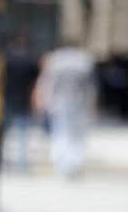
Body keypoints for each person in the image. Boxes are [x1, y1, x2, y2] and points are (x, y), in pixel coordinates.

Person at [33, 40, 97, 178]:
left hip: (59, 103)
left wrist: (44, 102)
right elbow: (90, 87)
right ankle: (73, 163)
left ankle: (63, 164)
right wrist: (92, 104)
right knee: (76, 135)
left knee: (61, 133)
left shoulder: (56, 60)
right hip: (77, 103)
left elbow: (47, 84)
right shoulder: (83, 61)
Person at [1, 33, 40, 171]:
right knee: (22, 135)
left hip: (7, 99)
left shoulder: (6, 60)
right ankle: (22, 164)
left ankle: (0, 162)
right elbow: (35, 83)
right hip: (24, 100)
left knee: (3, 134)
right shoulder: (31, 61)